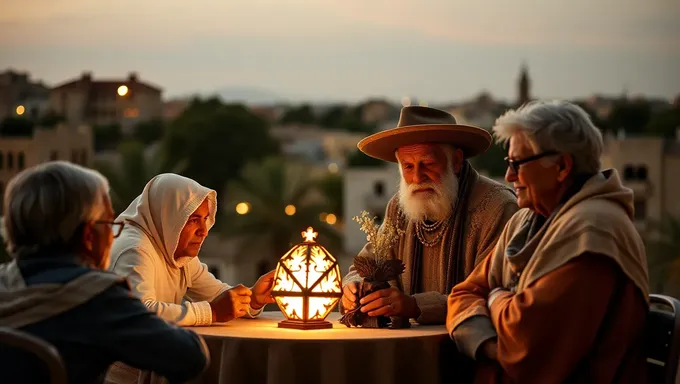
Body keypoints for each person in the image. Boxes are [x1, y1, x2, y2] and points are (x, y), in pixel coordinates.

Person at [447, 100, 649, 383]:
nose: (508, 176)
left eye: (517, 164)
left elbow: (525, 346)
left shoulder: (592, 232)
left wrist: (494, 298)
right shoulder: (525, 220)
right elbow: (463, 294)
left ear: (562, 166)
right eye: (508, 164)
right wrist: (493, 347)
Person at [0, 161, 210, 384]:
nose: (113, 236)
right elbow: (190, 357)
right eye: (110, 224)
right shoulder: (98, 299)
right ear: (89, 236)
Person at [341, 106, 518, 325]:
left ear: (456, 161)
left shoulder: (497, 207)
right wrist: (354, 287)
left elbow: (493, 293)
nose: (417, 177)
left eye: (428, 163)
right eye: (408, 166)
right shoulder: (399, 207)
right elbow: (364, 265)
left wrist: (415, 306)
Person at [108, 173, 276, 327]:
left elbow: (216, 295)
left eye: (205, 219)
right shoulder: (135, 250)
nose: (203, 231)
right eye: (194, 220)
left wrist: (253, 299)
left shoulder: (175, 251)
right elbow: (138, 314)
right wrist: (212, 312)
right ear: (169, 217)